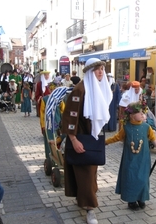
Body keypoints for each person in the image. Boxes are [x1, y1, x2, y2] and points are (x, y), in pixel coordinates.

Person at [61, 58, 112, 224]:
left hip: (92, 139)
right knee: (86, 174)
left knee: (90, 174)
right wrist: (73, 140)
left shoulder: (96, 88)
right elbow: (70, 117)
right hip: (81, 138)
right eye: (97, 69)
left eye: (102, 69)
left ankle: (84, 200)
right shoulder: (80, 90)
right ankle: (90, 209)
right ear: (90, 71)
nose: (100, 72)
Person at [105, 101, 156, 210]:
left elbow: (153, 138)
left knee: (143, 178)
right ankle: (131, 200)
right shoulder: (126, 127)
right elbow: (117, 137)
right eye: (139, 113)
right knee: (131, 177)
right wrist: (106, 142)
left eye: (142, 113)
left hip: (143, 158)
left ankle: (141, 198)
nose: (142, 115)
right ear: (131, 115)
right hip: (130, 158)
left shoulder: (146, 127)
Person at [40, 82, 65, 158]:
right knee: (49, 141)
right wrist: (43, 125)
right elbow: (42, 113)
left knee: (58, 140)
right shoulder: (44, 99)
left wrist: (63, 123)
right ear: (49, 89)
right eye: (51, 89)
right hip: (48, 124)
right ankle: (49, 158)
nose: (52, 90)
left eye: (54, 89)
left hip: (58, 123)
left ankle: (58, 157)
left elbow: (63, 110)